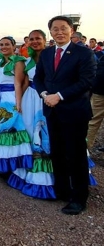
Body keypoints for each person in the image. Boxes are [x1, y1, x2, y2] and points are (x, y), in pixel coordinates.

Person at [34, 15, 95, 215]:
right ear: (50, 32)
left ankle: (79, 198)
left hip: (74, 111)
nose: (59, 32)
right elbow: (38, 78)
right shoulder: (46, 54)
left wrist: (59, 96)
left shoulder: (83, 53)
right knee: (57, 152)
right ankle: (62, 191)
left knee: (76, 155)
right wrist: (44, 94)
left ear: (71, 30)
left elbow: (86, 81)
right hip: (52, 111)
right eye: (55, 29)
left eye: (63, 28)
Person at [8, 30, 55, 199]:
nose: (35, 42)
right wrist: (19, 104)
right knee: (30, 131)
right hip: (32, 98)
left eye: (38, 39)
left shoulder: (54, 57)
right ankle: (32, 173)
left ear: (45, 40)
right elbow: (23, 84)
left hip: (51, 98)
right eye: (32, 39)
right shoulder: (26, 61)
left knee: (49, 132)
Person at [0, 37, 32, 173]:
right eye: (1, 45)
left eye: (7, 44)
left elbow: (20, 83)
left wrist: (18, 102)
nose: (4, 47)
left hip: (11, 97)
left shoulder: (18, 62)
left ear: (14, 46)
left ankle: (13, 163)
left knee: (11, 127)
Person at [87, 49, 104, 149]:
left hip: (99, 91)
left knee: (93, 122)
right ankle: (84, 152)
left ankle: (84, 152)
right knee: (93, 122)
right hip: (99, 92)